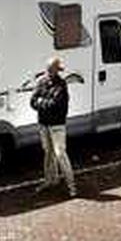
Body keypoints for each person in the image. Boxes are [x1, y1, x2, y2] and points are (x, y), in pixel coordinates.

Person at [30, 55, 75, 197]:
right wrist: (45, 102)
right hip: (45, 124)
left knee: (60, 153)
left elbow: (55, 104)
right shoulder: (42, 82)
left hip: (56, 125)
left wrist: (41, 102)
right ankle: (50, 180)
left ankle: (71, 185)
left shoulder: (61, 85)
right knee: (48, 153)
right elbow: (32, 101)